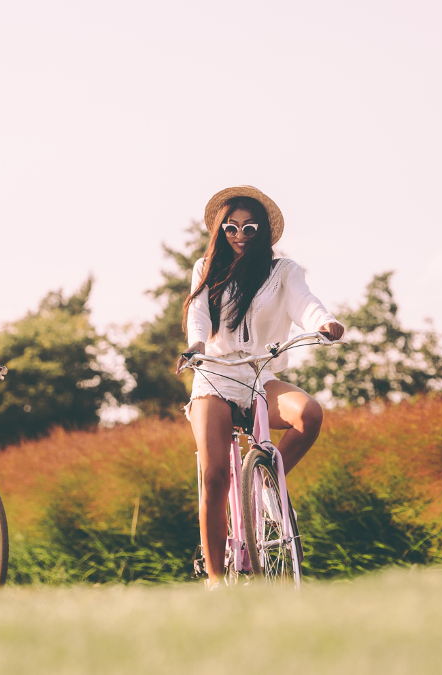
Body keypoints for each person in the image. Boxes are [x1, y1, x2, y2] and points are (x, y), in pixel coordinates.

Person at [178, 186, 345, 589]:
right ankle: (216, 580)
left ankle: (263, 485)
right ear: (220, 230)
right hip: (214, 376)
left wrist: (324, 321)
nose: (239, 235)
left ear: (263, 232)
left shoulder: (283, 271)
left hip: (259, 376)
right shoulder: (205, 267)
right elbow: (198, 313)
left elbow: (305, 302)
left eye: (249, 228)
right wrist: (197, 345)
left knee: (309, 414)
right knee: (215, 474)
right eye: (231, 227)